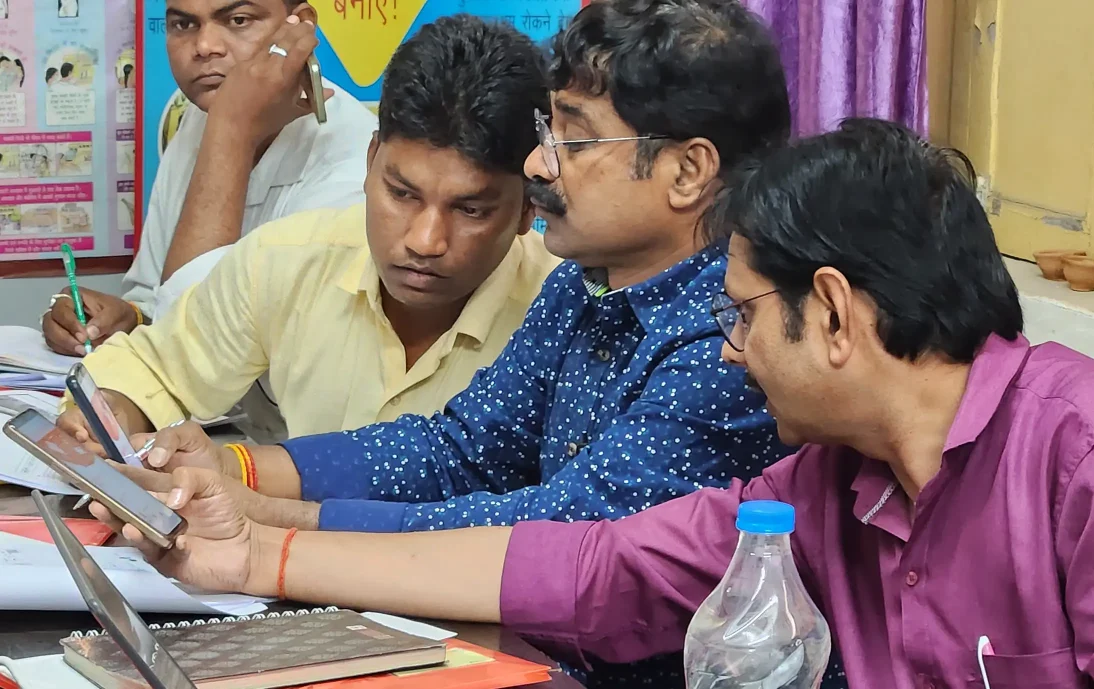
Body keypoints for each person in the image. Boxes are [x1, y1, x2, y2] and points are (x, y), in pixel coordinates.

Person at [101, 119, 1094, 688]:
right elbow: (594, 566)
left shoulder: (1072, 456)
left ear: (830, 313)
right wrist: (252, 553)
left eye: (745, 315)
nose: (731, 348)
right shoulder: (821, 485)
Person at [96, 1, 801, 686]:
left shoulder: (734, 332)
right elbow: (460, 449)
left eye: (575, 140)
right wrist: (238, 470)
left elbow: (563, 535)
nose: (538, 165)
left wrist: (266, 530)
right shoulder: (585, 285)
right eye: (547, 131)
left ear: (687, 172)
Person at [56, 14, 559, 444]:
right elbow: (150, 372)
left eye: (470, 210)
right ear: (371, 161)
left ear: (527, 207)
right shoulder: (286, 259)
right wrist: (108, 418)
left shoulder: (569, 313)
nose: (424, 242)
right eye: (402, 194)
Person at [42, 0, 377, 356]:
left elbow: (194, 353)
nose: (204, 47)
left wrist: (230, 133)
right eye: (184, 25)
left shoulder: (356, 165)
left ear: (301, 27)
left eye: (238, 20)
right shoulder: (201, 115)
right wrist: (130, 317)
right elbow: (160, 303)